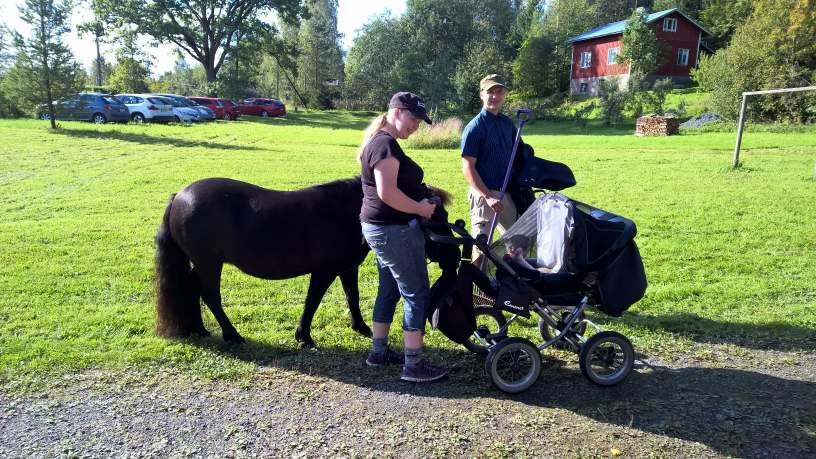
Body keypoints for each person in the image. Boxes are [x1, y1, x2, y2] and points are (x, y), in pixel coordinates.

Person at [358, 91, 448, 383]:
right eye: (413, 118)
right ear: (396, 112)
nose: (416, 126)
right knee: (416, 291)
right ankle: (414, 365)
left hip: (380, 228)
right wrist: (421, 208)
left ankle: (379, 352)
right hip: (393, 230)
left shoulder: (381, 142)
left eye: (420, 121)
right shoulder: (384, 145)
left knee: (390, 289)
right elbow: (388, 194)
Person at [461, 74, 520, 265]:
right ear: (481, 95)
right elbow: (467, 167)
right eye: (490, 92)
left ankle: (510, 289)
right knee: (481, 248)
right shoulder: (475, 127)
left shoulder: (508, 124)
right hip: (484, 195)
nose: (495, 96)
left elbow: (518, 155)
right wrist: (488, 196)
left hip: (506, 194)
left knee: (517, 245)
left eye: (499, 92)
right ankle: (477, 292)